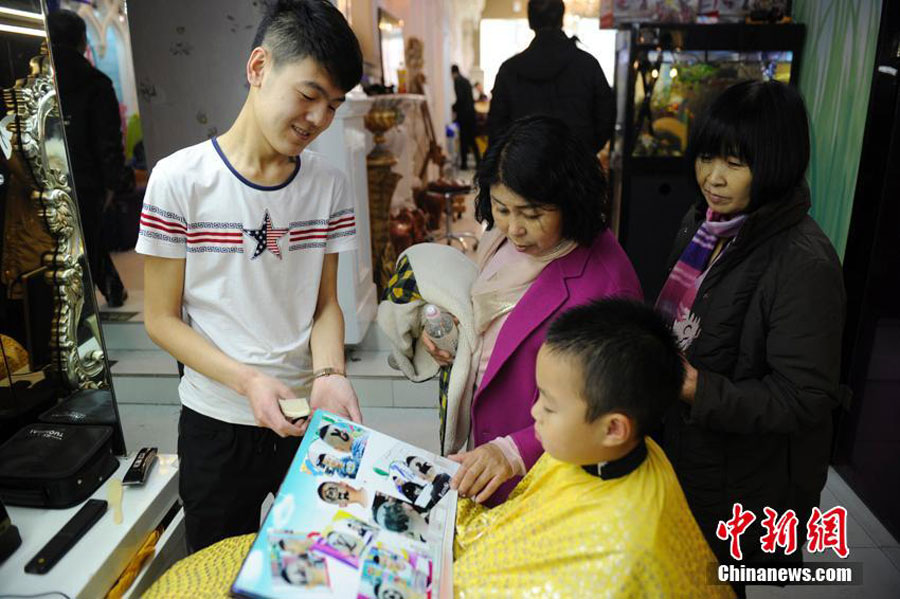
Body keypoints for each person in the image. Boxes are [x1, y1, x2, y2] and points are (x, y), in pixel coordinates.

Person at [137, 0, 364, 552]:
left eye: (332, 105)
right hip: (217, 422)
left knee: (317, 564)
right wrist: (248, 382)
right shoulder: (179, 180)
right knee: (219, 570)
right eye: (310, 96)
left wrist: (330, 372)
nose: (319, 119)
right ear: (259, 68)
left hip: (307, 417)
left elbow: (325, 304)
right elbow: (160, 320)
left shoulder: (328, 187)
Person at [655, 80, 846, 595]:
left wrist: (697, 388)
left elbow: (804, 397)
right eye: (706, 157)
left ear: (778, 164)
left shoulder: (804, 263)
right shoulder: (705, 223)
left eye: (735, 163)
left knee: (712, 585)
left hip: (741, 478)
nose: (712, 178)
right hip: (686, 451)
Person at [420, 115, 641, 506]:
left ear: (571, 201)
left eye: (533, 214)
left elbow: (612, 408)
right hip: (485, 451)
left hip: (544, 477)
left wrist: (514, 451)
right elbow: (494, 324)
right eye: (502, 208)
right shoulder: (502, 240)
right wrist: (457, 338)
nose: (514, 228)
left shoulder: (607, 284)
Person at [454, 299, 735, 599]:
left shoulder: (620, 558)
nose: (535, 412)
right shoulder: (600, 450)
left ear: (613, 429)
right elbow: (510, 531)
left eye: (549, 406)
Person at [47, 10, 128, 307]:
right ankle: (106, 295)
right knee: (88, 242)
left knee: (71, 246)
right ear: (83, 40)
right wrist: (115, 183)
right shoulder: (95, 83)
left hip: (46, 177)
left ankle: (96, 298)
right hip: (86, 181)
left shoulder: (38, 82)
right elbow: (107, 142)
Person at [487, 0, 614, 154]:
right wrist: (585, 151)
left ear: (530, 22)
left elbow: (496, 128)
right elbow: (606, 116)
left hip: (523, 170)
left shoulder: (509, 70)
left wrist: (513, 160)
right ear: (561, 20)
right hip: (577, 169)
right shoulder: (588, 65)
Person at [451, 64, 479, 170]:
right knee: (472, 139)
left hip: (464, 115)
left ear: (452, 73)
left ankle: (464, 164)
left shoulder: (457, 81)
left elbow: (460, 99)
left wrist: (454, 108)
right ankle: (479, 162)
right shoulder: (466, 81)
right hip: (471, 114)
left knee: (463, 140)